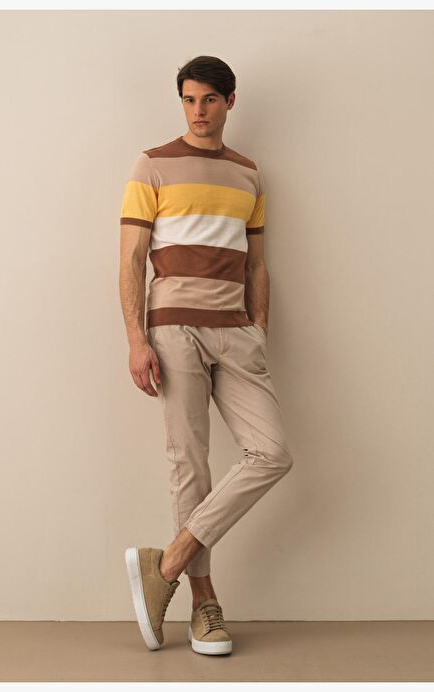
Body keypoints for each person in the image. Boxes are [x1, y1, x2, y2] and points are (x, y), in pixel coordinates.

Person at [119, 55, 294, 656]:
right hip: (174, 329)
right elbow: (131, 258)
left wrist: (259, 328)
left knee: (272, 453)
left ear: (230, 102)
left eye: (210, 100)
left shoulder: (249, 174)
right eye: (190, 100)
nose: (198, 111)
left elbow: (258, 264)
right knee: (189, 464)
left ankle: (165, 564)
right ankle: (203, 604)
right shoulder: (151, 165)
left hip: (236, 332)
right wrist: (136, 338)